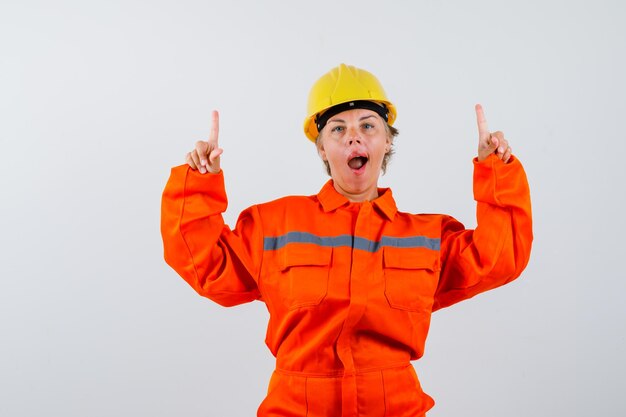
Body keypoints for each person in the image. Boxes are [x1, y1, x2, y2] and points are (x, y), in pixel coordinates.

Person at [161, 63, 533, 417]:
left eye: (368, 125)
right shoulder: (274, 224)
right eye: (337, 129)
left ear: (387, 141)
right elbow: (205, 265)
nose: (354, 135)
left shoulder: (427, 237)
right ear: (322, 149)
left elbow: (498, 258)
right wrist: (199, 182)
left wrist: (495, 172)